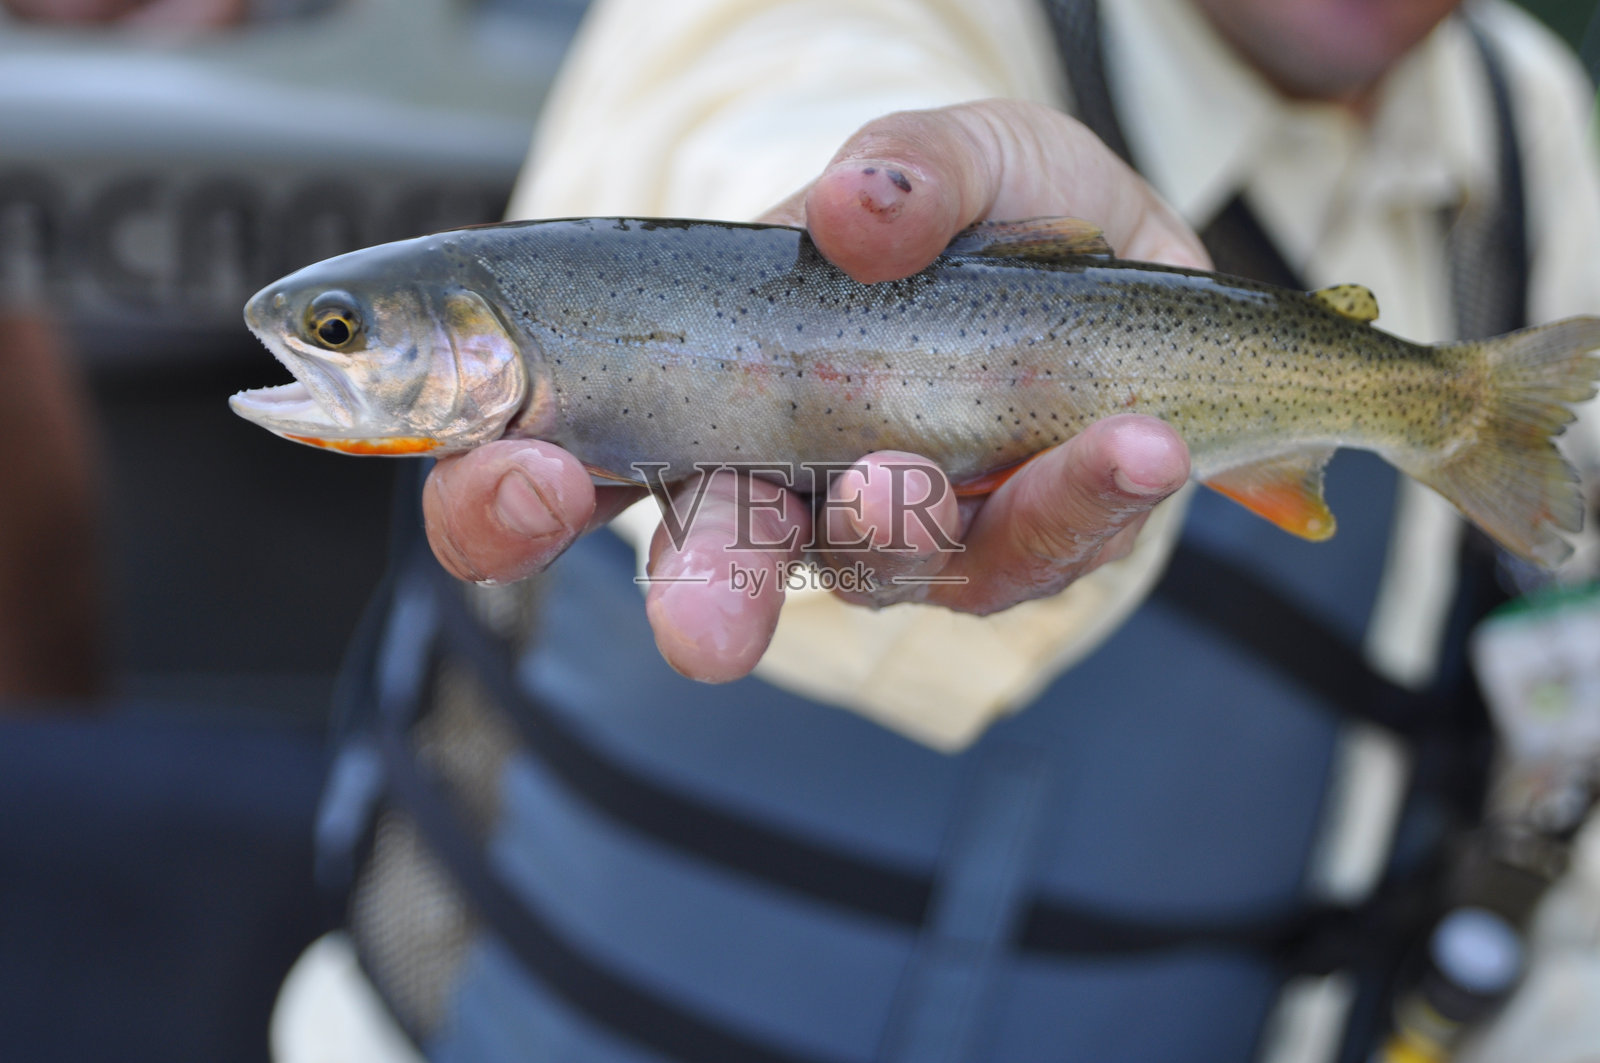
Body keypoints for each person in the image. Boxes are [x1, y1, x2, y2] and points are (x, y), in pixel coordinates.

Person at [275, 1, 1600, 1061]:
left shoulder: (1538, 136)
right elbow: (766, 113)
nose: (330, 349)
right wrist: (860, 195)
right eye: (344, 337)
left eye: (339, 335)